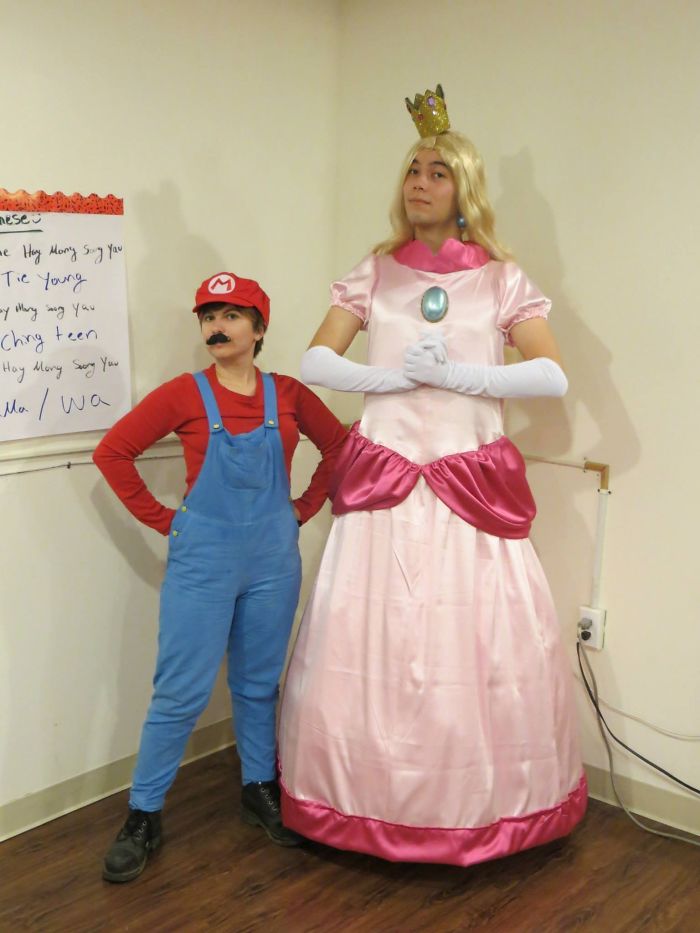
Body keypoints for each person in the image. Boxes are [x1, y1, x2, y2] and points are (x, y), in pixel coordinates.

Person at [278, 86, 587, 867]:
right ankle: (356, 802)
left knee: (470, 654)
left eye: (438, 171)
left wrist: (463, 375)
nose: (420, 181)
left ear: (464, 190)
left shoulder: (501, 279)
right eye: (413, 169)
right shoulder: (375, 272)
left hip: (466, 490)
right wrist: (386, 382)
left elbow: (550, 374)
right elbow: (316, 360)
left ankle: (478, 811)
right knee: (369, 649)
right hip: (385, 487)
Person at [93, 271, 346, 882]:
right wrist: (166, 522)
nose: (217, 325)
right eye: (208, 315)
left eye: (233, 315)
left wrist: (304, 509)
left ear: (259, 330)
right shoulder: (184, 394)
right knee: (179, 692)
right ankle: (143, 814)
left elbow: (339, 447)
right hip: (203, 559)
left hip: (271, 560)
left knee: (259, 685)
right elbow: (113, 452)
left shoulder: (287, 394)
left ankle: (258, 788)